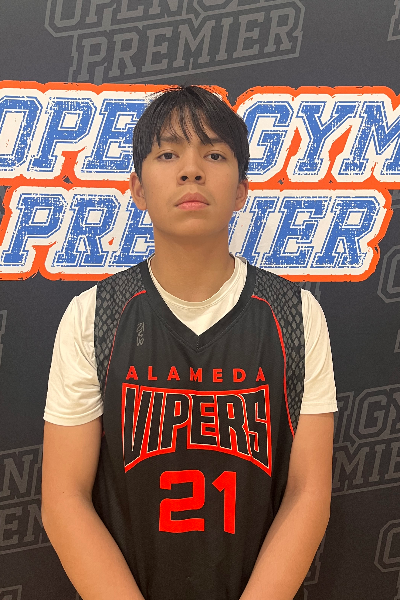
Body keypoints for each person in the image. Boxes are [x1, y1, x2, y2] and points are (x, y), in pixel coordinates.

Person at [41, 85, 337, 600]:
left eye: (214, 155)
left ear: (242, 191)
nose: (192, 170)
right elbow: (63, 498)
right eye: (168, 154)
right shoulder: (94, 315)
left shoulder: (295, 315)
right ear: (137, 189)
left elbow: (308, 492)